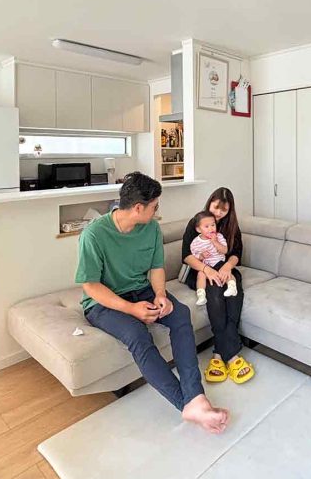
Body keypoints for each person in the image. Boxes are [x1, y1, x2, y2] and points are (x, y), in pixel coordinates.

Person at [75, 171, 228, 434]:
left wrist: (160, 295)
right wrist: (130, 309)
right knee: (137, 334)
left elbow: (157, 268)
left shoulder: (151, 228)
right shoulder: (94, 235)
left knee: (180, 314)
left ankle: (195, 395)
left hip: (142, 290)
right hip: (102, 303)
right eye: (155, 206)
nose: (157, 211)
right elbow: (90, 285)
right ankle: (185, 404)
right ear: (138, 208)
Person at [182, 187, 255, 384]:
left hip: (224, 266)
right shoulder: (198, 222)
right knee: (215, 294)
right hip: (201, 271)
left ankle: (218, 354)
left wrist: (227, 267)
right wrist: (207, 270)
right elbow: (186, 256)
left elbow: (236, 253)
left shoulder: (231, 226)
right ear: (210, 203)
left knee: (233, 294)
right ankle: (232, 356)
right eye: (216, 207)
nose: (219, 213)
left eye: (224, 210)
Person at [190, 211, 238, 306]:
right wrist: (201, 256)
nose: (211, 228)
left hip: (219, 262)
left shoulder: (219, 237)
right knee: (200, 274)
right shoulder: (195, 242)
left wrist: (215, 242)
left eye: (213, 225)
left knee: (226, 272)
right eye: (206, 226)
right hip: (206, 266)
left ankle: (232, 286)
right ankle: (201, 294)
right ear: (198, 229)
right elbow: (194, 256)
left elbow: (225, 250)